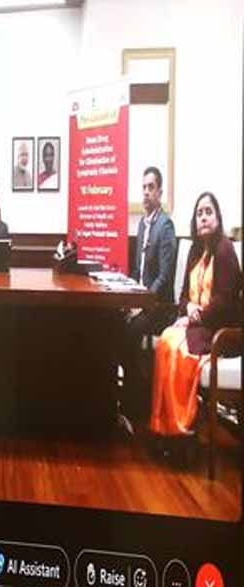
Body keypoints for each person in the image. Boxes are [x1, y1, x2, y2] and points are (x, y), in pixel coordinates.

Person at [149, 192, 241, 454]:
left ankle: (182, 428)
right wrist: (188, 309)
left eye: (208, 212)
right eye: (199, 213)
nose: (203, 217)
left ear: (218, 217)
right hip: (196, 325)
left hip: (219, 330)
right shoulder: (195, 250)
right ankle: (165, 427)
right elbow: (182, 297)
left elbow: (225, 300)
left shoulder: (225, 249)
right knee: (166, 341)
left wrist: (196, 316)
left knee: (179, 350)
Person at [118, 167, 177, 429]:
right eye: (143, 187)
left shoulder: (165, 226)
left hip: (159, 307)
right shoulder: (143, 224)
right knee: (115, 323)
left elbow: (164, 277)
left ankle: (137, 401)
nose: (146, 192)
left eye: (151, 187)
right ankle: (133, 395)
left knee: (129, 331)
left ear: (159, 192)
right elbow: (137, 271)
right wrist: (128, 296)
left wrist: (142, 304)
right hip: (142, 302)